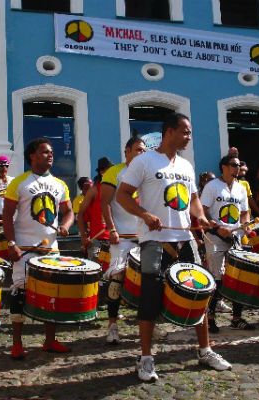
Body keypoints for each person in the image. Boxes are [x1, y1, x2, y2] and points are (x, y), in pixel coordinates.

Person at [117, 113, 231, 382]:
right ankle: (145, 358)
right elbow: (123, 195)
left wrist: (202, 218)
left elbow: (193, 200)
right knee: (150, 300)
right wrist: (144, 215)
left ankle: (205, 350)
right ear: (169, 131)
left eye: (189, 132)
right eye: (185, 131)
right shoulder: (144, 161)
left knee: (199, 294)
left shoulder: (186, 165)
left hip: (184, 241)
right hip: (152, 243)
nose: (189, 136)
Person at [2, 138, 74, 359]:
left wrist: (65, 225)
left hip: (51, 249)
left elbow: (69, 212)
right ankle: (17, 344)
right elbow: (6, 216)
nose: (50, 155)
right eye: (44, 152)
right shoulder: (19, 183)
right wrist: (11, 244)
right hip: (24, 248)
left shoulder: (60, 184)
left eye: (51, 152)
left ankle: (50, 341)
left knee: (52, 295)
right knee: (20, 293)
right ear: (32, 156)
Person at [101, 136, 146, 344]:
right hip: (122, 237)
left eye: (144, 150)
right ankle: (112, 326)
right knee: (117, 278)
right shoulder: (114, 172)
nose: (141, 153)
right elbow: (106, 202)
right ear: (127, 151)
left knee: (149, 282)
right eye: (138, 150)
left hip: (145, 236)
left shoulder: (149, 172)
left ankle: (147, 326)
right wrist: (111, 229)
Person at [201, 155, 254, 333]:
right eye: (233, 165)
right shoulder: (212, 186)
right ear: (223, 167)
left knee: (237, 277)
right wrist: (216, 227)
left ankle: (237, 318)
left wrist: (245, 225)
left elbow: (245, 212)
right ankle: (210, 317)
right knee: (217, 277)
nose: (237, 168)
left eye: (238, 165)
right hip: (215, 236)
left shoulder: (240, 188)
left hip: (234, 236)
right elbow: (204, 212)